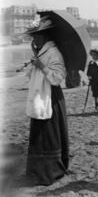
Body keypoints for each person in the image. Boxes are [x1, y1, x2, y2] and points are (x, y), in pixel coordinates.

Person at [24, 17, 69, 185]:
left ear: (44, 37)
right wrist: (35, 58)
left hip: (51, 97)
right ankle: (37, 172)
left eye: (36, 36)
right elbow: (30, 74)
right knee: (39, 134)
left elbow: (57, 78)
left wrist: (42, 66)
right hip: (39, 97)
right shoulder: (41, 52)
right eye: (32, 37)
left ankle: (51, 172)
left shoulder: (54, 53)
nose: (34, 39)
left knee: (49, 135)